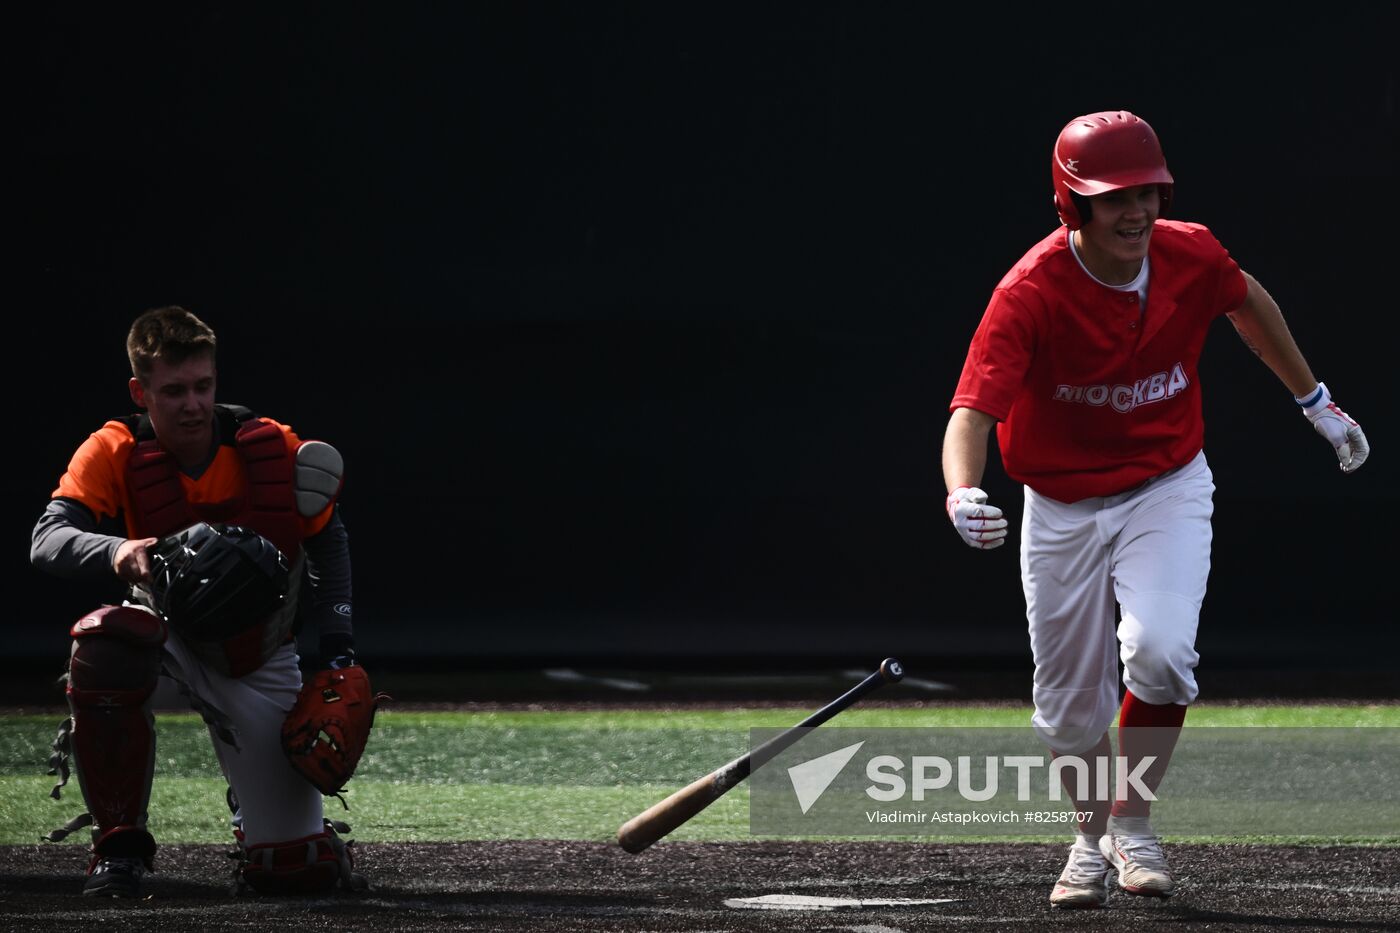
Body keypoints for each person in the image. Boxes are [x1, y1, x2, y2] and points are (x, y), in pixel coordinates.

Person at [941, 111, 1369, 909]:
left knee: (1163, 654)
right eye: (1113, 198)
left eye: (1146, 191)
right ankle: (1087, 839)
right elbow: (971, 412)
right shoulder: (1030, 290)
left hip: (1164, 487)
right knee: (1068, 710)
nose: (1135, 211)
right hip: (1062, 505)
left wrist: (1316, 401)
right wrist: (962, 491)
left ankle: (1130, 824)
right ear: (1074, 206)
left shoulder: (1189, 252)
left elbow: (1246, 300)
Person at [31, 305, 365, 897]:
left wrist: (338, 649)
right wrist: (116, 550)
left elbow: (328, 538)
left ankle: (254, 807)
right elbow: (48, 538)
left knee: (295, 870)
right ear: (141, 391)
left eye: (203, 386)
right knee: (105, 646)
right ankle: (120, 848)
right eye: (174, 390)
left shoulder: (267, 444)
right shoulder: (115, 447)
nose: (192, 404)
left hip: (258, 653)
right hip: (167, 644)